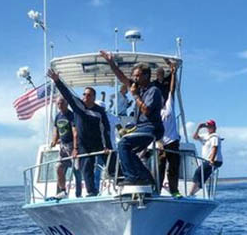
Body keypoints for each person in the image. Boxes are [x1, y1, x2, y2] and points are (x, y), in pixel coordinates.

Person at [100, 50, 163, 187]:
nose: (134, 79)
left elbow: (146, 111)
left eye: (137, 76)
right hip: (141, 127)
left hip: (151, 127)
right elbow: (122, 78)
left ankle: (132, 178)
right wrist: (111, 62)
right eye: (133, 76)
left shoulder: (154, 91)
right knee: (128, 152)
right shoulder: (138, 88)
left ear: (146, 76)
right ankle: (149, 180)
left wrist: (135, 96)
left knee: (123, 144)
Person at [47, 69, 112, 197]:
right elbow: (68, 95)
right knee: (86, 168)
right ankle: (91, 192)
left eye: (89, 95)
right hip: (84, 145)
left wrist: (107, 146)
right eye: (84, 94)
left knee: (111, 162)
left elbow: (106, 129)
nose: (85, 97)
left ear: (94, 97)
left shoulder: (99, 111)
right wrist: (57, 81)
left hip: (98, 143)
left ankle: (121, 182)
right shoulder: (78, 106)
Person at [158, 60, 182, 198]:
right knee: (160, 168)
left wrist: (173, 73)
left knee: (173, 167)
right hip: (161, 143)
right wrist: (159, 142)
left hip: (172, 141)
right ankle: (157, 190)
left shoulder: (169, 104)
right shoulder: (154, 111)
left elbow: (172, 90)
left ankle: (174, 190)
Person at [50, 96, 82, 198]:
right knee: (58, 167)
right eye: (58, 104)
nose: (60, 105)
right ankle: (63, 191)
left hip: (72, 144)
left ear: (67, 103)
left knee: (76, 170)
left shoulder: (71, 115)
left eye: (62, 103)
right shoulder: (58, 116)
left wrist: (75, 148)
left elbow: (75, 132)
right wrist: (54, 140)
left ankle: (78, 194)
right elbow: (56, 129)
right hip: (63, 146)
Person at [190, 120, 223, 196]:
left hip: (214, 160)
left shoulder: (215, 136)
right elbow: (194, 137)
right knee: (202, 178)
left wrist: (211, 159)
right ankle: (192, 193)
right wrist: (198, 128)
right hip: (208, 160)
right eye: (207, 126)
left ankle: (190, 193)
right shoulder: (205, 135)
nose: (208, 128)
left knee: (198, 172)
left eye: (210, 126)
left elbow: (215, 148)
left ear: (214, 127)